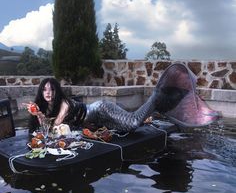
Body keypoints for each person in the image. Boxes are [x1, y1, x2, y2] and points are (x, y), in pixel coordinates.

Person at [25, 63, 219, 133]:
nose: (48, 93)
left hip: (100, 110)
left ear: (57, 90)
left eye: (51, 89)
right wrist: (38, 114)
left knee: (132, 123)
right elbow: (47, 126)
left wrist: (40, 116)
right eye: (44, 90)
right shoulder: (50, 107)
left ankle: (157, 97)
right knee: (129, 128)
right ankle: (156, 112)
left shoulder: (64, 103)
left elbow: (56, 126)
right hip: (97, 123)